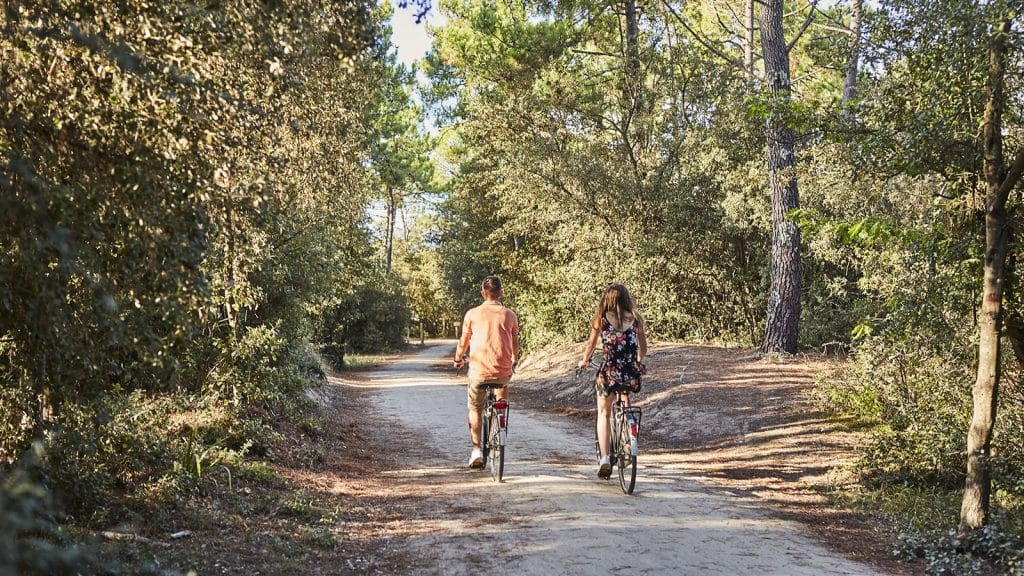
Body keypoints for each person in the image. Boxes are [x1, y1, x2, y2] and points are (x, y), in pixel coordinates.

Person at [576, 283, 648, 478]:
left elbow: (591, 344)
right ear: (626, 298)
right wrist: (638, 363)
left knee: (604, 413)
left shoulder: (602, 319)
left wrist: (584, 361)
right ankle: (630, 423)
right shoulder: (635, 319)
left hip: (609, 372)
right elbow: (643, 349)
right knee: (625, 397)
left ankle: (605, 458)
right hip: (630, 373)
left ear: (606, 299)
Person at [454, 275, 519, 468]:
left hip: (479, 372)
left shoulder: (472, 314)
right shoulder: (510, 315)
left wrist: (458, 359)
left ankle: (476, 451)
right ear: (501, 292)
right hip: (503, 372)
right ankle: (500, 424)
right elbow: (514, 344)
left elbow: (463, 343)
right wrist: (515, 358)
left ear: (483, 293)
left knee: (475, 407)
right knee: (502, 396)